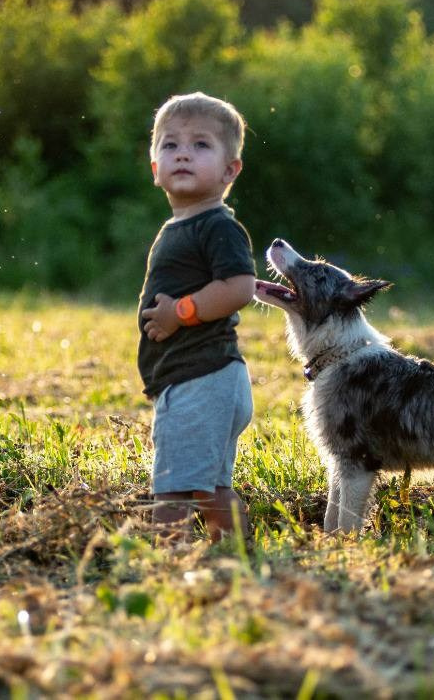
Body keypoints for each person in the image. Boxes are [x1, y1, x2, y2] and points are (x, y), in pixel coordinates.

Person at [137, 92, 257, 541]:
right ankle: (238, 553)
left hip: (201, 379)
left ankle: (169, 563)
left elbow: (239, 287)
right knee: (210, 490)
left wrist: (180, 313)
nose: (183, 152)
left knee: (173, 491)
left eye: (201, 144)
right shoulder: (182, 225)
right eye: (170, 145)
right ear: (155, 169)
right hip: (200, 380)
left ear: (230, 170)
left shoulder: (217, 225)